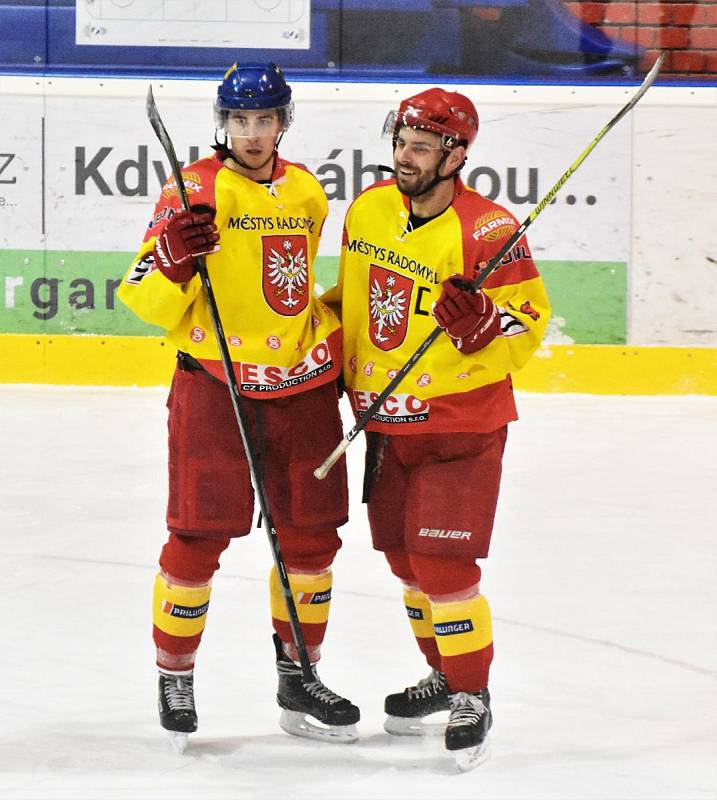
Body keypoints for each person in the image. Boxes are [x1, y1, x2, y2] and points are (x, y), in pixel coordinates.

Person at [118, 62, 359, 746]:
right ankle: (175, 671)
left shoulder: (308, 189)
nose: (253, 134)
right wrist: (171, 257)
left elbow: (293, 288)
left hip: (300, 387)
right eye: (240, 121)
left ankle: (298, 675)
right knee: (197, 536)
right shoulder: (191, 189)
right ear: (222, 123)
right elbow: (139, 295)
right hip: (216, 384)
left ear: (284, 122)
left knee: (311, 540)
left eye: (266, 120)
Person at [322, 88, 550, 764]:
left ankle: (471, 693)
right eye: (401, 142)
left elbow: (527, 322)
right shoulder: (367, 209)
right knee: (405, 563)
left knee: (442, 564)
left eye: (421, 147)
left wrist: (485, 328)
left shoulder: (488, 231)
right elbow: (355, 302)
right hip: (387, 425)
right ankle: (445, 674)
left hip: (460, 427)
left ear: (456, 154)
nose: (404, 157)